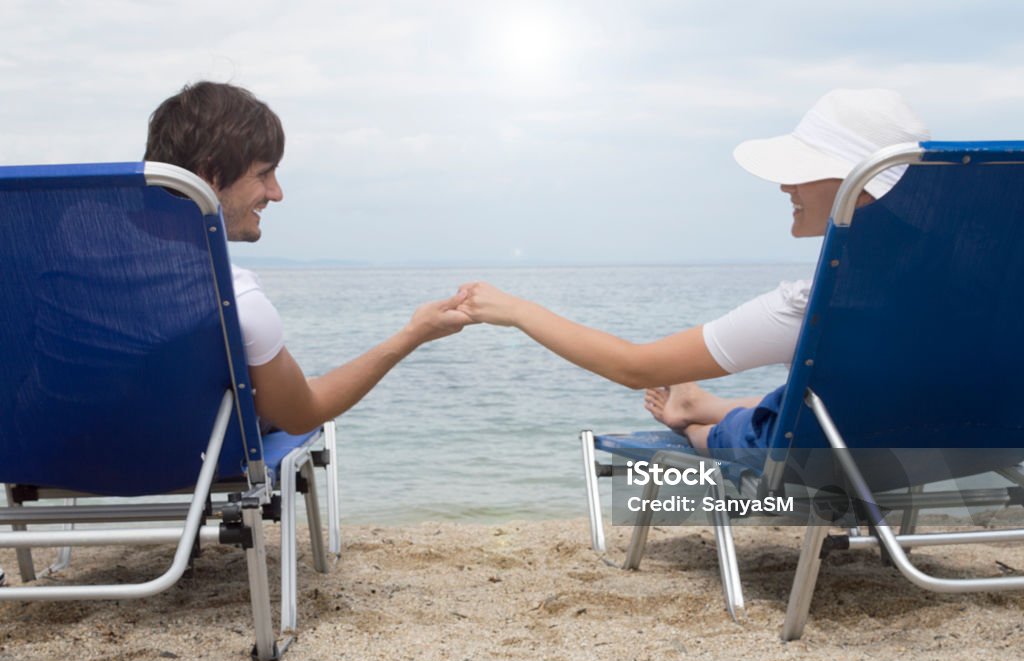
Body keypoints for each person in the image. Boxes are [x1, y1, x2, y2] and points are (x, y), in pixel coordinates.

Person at [458, 89, 930, 463]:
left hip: (835, 459)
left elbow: (636, 367)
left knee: (751, 432)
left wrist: (517, 311)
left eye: (802, 172)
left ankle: (698, 421)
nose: (786, 185)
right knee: (809, 396)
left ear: (860, 192)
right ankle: (699, 404)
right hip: (947, 447)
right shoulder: (970, 290)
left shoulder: (815, 305)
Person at [145, 82, 472, 433]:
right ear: (210, 175)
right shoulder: (233, 299)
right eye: (264, 174)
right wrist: (413, 334)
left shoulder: (85, 280)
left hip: (84, 465)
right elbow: (302, 414)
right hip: (194, 463)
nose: (277, 193)